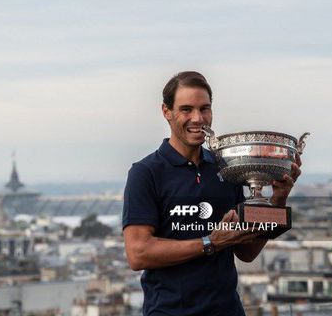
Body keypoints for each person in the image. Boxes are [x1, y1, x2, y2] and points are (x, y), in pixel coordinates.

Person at [122, 71, 302, 315]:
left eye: (204, 108)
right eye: (186, 109)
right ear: (166, 112)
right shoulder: (146, 173)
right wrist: (210, 243)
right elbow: (138, 253)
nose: (198, 118)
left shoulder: (227, 168)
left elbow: (246, 252)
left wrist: (277, 200)